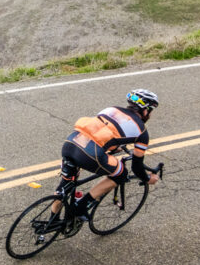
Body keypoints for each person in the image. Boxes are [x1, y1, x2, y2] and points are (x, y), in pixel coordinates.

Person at [56, 89, 161, 220]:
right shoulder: (142, 131)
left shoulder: (110, 109)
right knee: (121, 174)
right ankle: (80, 207)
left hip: (71, 143)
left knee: (65, 186)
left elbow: (99, 132)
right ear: (146, 110)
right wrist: (147, 179)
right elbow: (137, 167)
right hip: (90, 154)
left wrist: (112, 147)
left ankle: (53, 220)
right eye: (150, 111)